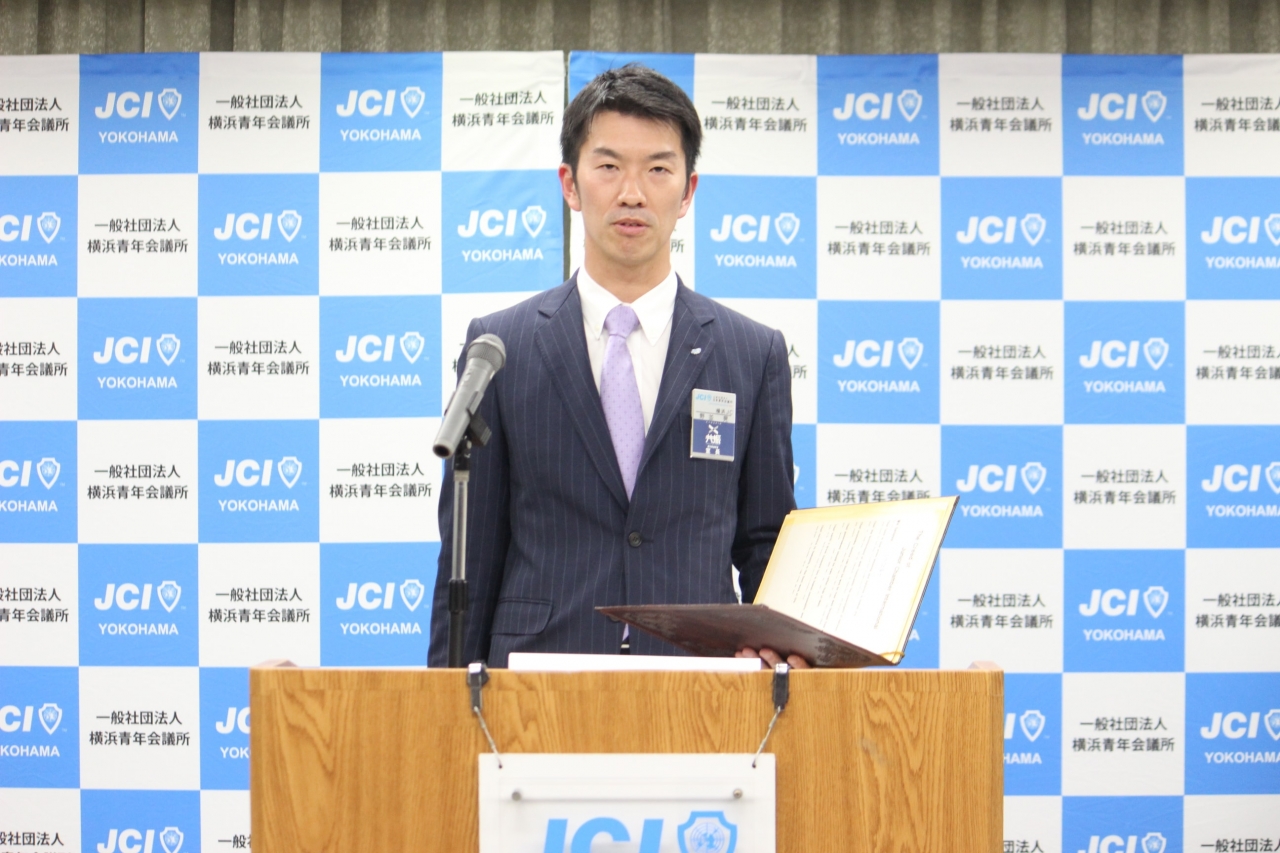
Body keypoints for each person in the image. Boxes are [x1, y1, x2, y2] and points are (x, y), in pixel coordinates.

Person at [428, 64, 805, 669]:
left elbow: (768, 546)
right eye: (608, 167)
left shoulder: (751, 353)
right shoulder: (501, 347)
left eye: (658, 169)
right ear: (570, 185)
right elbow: (469, 559)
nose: (633, 193)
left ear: (688, 192)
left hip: (698, 683)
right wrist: (447, 703)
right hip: (536, 682)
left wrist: (782, 667)